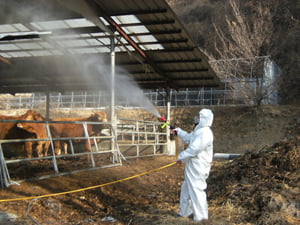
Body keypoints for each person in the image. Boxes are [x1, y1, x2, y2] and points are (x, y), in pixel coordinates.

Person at [172, 108, 214, 222]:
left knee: (196, 191)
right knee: (186, 189)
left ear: (204, 119)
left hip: (198, 167)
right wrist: (179, 132)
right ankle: (185, 212)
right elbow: (189, 139)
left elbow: (194, 149)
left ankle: (201, 218)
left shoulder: (205, 133)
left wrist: (181, 157)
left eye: (199, 117)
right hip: (192, 166)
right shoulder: (198, 131)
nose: (197, 118)